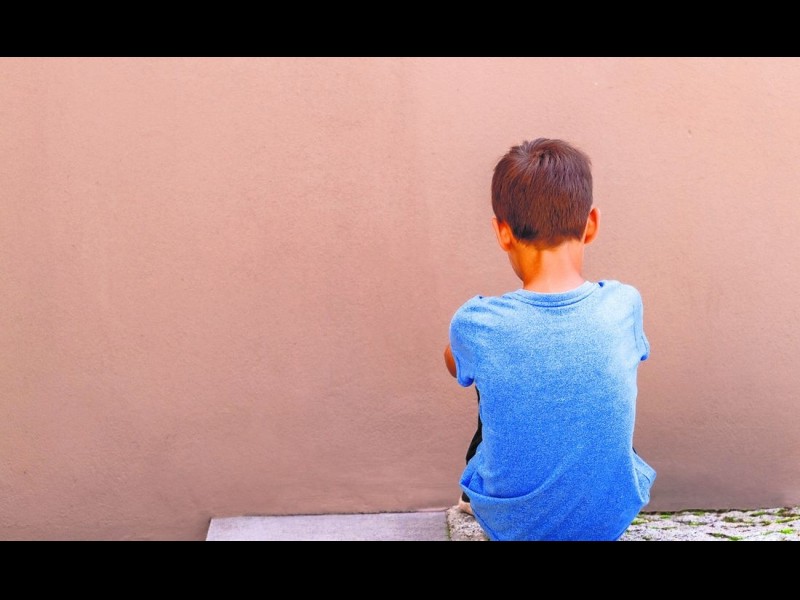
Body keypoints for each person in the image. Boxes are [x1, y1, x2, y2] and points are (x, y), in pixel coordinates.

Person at [443, 137, 656, 541]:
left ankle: (483, 497)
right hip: (607, 522)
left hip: (511, 526)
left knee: (492, 375)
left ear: (502, 233)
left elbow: (455, 364)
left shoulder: (477, 322)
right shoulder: (624, 304)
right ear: (591, 224)